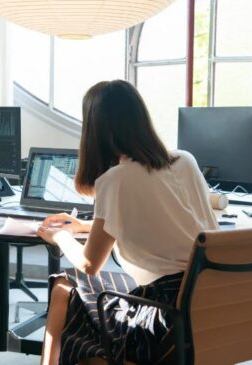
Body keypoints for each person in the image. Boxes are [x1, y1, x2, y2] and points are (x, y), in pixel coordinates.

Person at [36, 80, 218, 365]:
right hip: (208, 300)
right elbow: (169, 219)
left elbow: (89, 265)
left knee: (71, 300)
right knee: (63, 285)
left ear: (95, 130)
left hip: (162, 316)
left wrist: (59, 237)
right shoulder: (185, 160)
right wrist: (83, 227)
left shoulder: (116, 179)